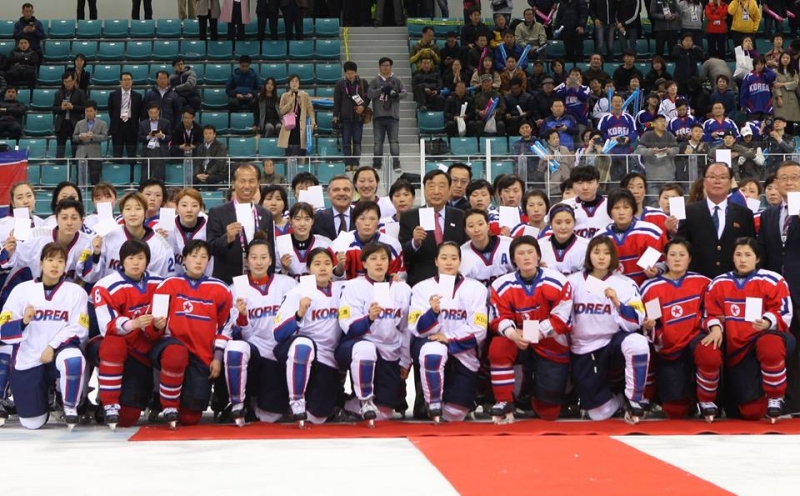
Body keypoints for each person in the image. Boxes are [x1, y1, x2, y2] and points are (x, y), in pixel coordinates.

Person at [0, 243, 89, 430]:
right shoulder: (21, 291)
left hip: (59, 352)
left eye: (60, 261)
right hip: (28, 357)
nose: (55, 265)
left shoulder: (76, 292)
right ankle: (44, 395)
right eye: (50, 260)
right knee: (32, 422)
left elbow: (79, 329)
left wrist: (52, 346)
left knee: (73, 360)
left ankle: (69, 407)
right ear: (41, 263)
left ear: (66, 265)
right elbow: (3, 329)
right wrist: (23, 322)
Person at [705, 237, 794, 422]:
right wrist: (714, 328)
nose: (742, 260)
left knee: (770, 344)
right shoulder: (719, 283)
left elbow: (784, 311)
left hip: (767, 337)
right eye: (738, 255)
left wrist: (768, 322)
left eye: (748, 255)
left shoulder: (773, 280)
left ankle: (776, 397)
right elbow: (710, 313)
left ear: (757, 258)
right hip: (738, 349)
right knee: (750, 413)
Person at [487, 235, 573, 422]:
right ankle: (504, 401)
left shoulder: (557, 281)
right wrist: (512, 333)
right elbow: (497, 318)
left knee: (548, 412)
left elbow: (561, 319)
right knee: (498, 345)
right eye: (520, 253)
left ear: (538, 256)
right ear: (513, 259)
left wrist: (531, 333)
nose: (526, 257)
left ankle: (534, 394)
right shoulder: (501, 285)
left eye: (530, 253)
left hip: (550, 342)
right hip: (518, 341)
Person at [149, 240, 232, 427]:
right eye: (194, 256)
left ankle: (182, 402)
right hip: (172, 347)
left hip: (201, 356)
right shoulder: (169, 284)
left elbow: (225, 327)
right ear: (184, 259)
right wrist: (156, 325)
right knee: (175, 355)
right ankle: (168, 405)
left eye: (203, 257)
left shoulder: (221, 289)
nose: (198, 261)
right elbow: (154, 324)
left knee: (190, 419)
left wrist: (217, 357)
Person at [221, 233, 301, 424]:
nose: (258, 262)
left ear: (271, 260)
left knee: (269, 416)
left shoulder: (288, 284)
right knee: (235, 349)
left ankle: (270, 401)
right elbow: (239, 334)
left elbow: (297, 323)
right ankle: (237, 405)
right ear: (246, 260)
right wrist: (242, 317)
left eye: (263, 257)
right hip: (254, 351)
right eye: (254, 257)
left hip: (280, 351)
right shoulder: (235, 288)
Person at [568, 235, 650, 422]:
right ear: (589, 255)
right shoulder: (572, 282)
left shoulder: (625, 283)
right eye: (596, 252)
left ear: (613, 256)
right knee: (599, 414)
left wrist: (617, 303)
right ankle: (619, 401)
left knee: (638, 343)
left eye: (606, 253)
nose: (601, 257)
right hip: (584, 348)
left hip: (613, 343)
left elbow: (636, 320)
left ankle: (634, 399)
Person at [639, 237, 721, 420]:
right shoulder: (652, 287)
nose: (677, 259)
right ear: (665, 259)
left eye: (682, 255)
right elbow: (653, 321)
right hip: (669, 347)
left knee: (710, 352)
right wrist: (651, 327)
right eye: (672, 255)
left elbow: (710, 312)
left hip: (695, 338)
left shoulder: (703, 283)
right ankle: (689, 399)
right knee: (675, 411)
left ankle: (707, 401)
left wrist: (715, 328)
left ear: (689, 258)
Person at [407, 241, 487, 423]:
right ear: (436, 261)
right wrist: (432, 313)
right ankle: (432, 402)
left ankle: (453, 402)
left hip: (463, 351)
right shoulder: (421, 288)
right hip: (430, 345)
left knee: (455, 415)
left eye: (453, 258)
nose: (449, 262)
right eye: (444, 258)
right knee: (433, 351)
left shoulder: (476, 289)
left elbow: (479, 328)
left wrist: (448, 338)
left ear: (460, 261)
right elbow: (416, 328)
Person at [89, 239, 165, 429]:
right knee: (115, 345)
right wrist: (134, 324)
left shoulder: (161, 283)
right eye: (131, 258)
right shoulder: (105, 285)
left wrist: (157, 326)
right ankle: (109, 403)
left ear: (147, 260)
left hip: (141, 353)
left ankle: (134, 400)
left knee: (128, 419)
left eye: (140, 258)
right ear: (122, 261)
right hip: (110, 345)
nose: (136, 262)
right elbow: (107, 326)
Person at [336, 242, 412, 424]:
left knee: (384, 413)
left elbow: (406, 328)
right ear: (364, 263)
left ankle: (350, 404)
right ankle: (365, 400)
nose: (379, 263)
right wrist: (368, 318)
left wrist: (405, 360)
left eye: (383, 258)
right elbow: (350, 328)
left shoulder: (403, 289)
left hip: (390, 352)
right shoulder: (352, 287)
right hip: (356, 347)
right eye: (373, 258)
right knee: (366, 348)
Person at [759, 161, 800, 415]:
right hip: (778, 296)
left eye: (794, 177)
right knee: (784, 348)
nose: (789, 182)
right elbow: (763, 253)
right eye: (783, 178)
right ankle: (786, 399)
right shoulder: (769, 214)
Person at [677, 162, 757, 278]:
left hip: (734, 281)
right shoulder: (689, 212)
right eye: (712, 177)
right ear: (704, 181)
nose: (717, 181)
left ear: (730, 183)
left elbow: (752, 248)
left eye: (723, 177)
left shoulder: (744, 214)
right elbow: (681, 246)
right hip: (698, 280)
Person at [207, 164, 275, 284]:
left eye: (252, 181)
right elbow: (210, 249)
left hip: (259, 280)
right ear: (233, 183)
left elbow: (271, 251)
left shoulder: (265, 214)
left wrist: (270, 279)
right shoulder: (217, 212)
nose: (247, 186)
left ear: (258, 183)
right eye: (242, 181)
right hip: (227, 280)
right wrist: (227, 238)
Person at [400, 170, 468, 287]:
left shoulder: (460, 216)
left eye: (441, 186)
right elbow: (402, 253)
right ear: (424, 189)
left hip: (455, 281)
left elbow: (467, 248)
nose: (436, 192)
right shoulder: (409, 216)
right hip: (421, 282)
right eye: (431, 186)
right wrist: (414, 242)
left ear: (449, 189)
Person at [96, 192, 173, 279]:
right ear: (121, 213)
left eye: (138, 208)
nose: (133, 213)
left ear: (145, 212)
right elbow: (92, 276)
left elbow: (161, 282)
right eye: (128, 209)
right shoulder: (108, 236)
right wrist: (96, 254)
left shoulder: (159, 245)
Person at [602, 189, 668, 286]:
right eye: (616, 208)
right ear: (610, 211)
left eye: (626, 207)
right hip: (615, 294)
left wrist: (658, 269)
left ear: (633, 209)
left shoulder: (652, 233)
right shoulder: (601, 237)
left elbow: (668, 260)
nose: (621, 212)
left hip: (647, 291)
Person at [368, 57, 407, 172]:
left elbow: (405, 93)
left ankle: (396, 164)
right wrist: (381, 89)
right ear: (379, 67)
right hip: (378, 116)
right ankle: (376, 164)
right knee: (378, 142)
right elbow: (369, 94)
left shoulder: (397, 80)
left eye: (388, 65)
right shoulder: (375, 81)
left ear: (391, 67)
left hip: (393, 116)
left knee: (394, 141)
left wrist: (396, 95)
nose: (386, 67)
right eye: (383, 65)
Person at [276, 202, 332, 279]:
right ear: (290, 221)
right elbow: (274, 281)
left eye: (307, 219)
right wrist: (284, 269)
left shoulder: (324, 243)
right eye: (297, 219)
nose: (302, 224)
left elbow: (333, 276)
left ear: (312, 221)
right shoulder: (280, 245)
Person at [459, 208, 514, 285]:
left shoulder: (508, 244)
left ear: (488, 226)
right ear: (465, 230)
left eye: (481, 224)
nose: (476, 229)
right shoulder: (462, 253)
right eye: (471, 226)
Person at [334, 61, 370, 171]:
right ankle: (347, 163)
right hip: (345, 117)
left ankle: (356, 162)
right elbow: (337, 100)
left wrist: (363, 106)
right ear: (345, 73)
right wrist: (335, 115)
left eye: (352, 73)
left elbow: (368, 97)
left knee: (357, 141)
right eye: (348, 73)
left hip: (358, 117)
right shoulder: (340, 84)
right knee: (346, 141)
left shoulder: (362, 83)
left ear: (356, 72)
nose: (350, 75)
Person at [562, 166, 613, 239]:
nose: (585, 187)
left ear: (597, 183)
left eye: (590, 182)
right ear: (572, 185)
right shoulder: (564, 206)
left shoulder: (611, 204)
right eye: (580, 183)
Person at [637, 114, 679, 196]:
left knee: (670, 201)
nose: (663, 123)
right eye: (660, 121)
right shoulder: (647, 135)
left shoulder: (669, 135)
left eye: (664, 121)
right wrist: (651, 151)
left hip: (668, 176)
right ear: (654, 123)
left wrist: (669, 151)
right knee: (653, 201)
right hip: (652, 176)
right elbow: (639, 150)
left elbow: (676, 149)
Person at [108, 73, 144, 164]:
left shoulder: (138, 96)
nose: (126, 82)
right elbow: (111, 111)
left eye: (128, 79)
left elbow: (140, 112)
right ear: (120, 81)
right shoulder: (113, 95)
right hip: (117, 127)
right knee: (117, 154)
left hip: (132, 127)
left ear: (132, 81)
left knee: (132, 155)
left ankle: (132, 177)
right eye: (124, 79)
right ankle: (117, 175)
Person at [72, 100, 109, 185]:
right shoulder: (79, 123)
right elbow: (74, 137)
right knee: (80, 178)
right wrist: (80, 137)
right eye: (87, 111)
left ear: (95, 111)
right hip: (81, 154)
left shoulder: (102, 124)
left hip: (95, 154)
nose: (88, 113)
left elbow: (104, 137)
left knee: (95, 177)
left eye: (91, 111)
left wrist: (93, 137)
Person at [278, 75, 315, 158]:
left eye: (296, 81)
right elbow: (281, 111)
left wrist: (313, 122)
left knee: (301, 151)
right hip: (289, 126)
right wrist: (290, 103)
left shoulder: (305, 95)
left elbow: (310, 110)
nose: (294, 83)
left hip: (301, 126)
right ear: (289, 84)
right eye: (292, 81)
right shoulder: (284, 96)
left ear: (299, 83)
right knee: (289, 154)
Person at [52, 71, 87, 160]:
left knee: (75, 150)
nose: (68, 83)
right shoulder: (58, 93)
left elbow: (84, 109)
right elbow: (54, 109)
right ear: (63, 82)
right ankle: (59, 168)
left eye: (70, 81)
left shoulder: (80, 93)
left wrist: (73, 107)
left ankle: (76, 169)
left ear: (73, 81)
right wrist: (61, 108)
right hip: (61, 124)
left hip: (75, 124)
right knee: (60, 150)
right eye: (66, 81)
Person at [138, 103, 171, 182]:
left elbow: (170, 137)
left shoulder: (165, 122)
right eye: (151, 112)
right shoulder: (143, 124)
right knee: (145, 176)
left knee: (159, 176)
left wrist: (162, 136)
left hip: (160, 150)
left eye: (155, 112)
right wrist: (148, 136)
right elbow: (139, 138)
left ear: (159, 112)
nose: (153, 114)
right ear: (148, 112)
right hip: (147, 150)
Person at [774, 52, 800, 133]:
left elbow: (795, 84)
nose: (785, 59)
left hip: (791, 99)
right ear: (780, 59)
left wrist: (782, 84)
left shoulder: (794, 72)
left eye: (787, 58)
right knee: (779, 122)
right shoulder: (775, 71)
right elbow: (775, 85)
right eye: (783, 58)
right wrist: (778, 97)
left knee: (790, 123)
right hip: (780, 98)